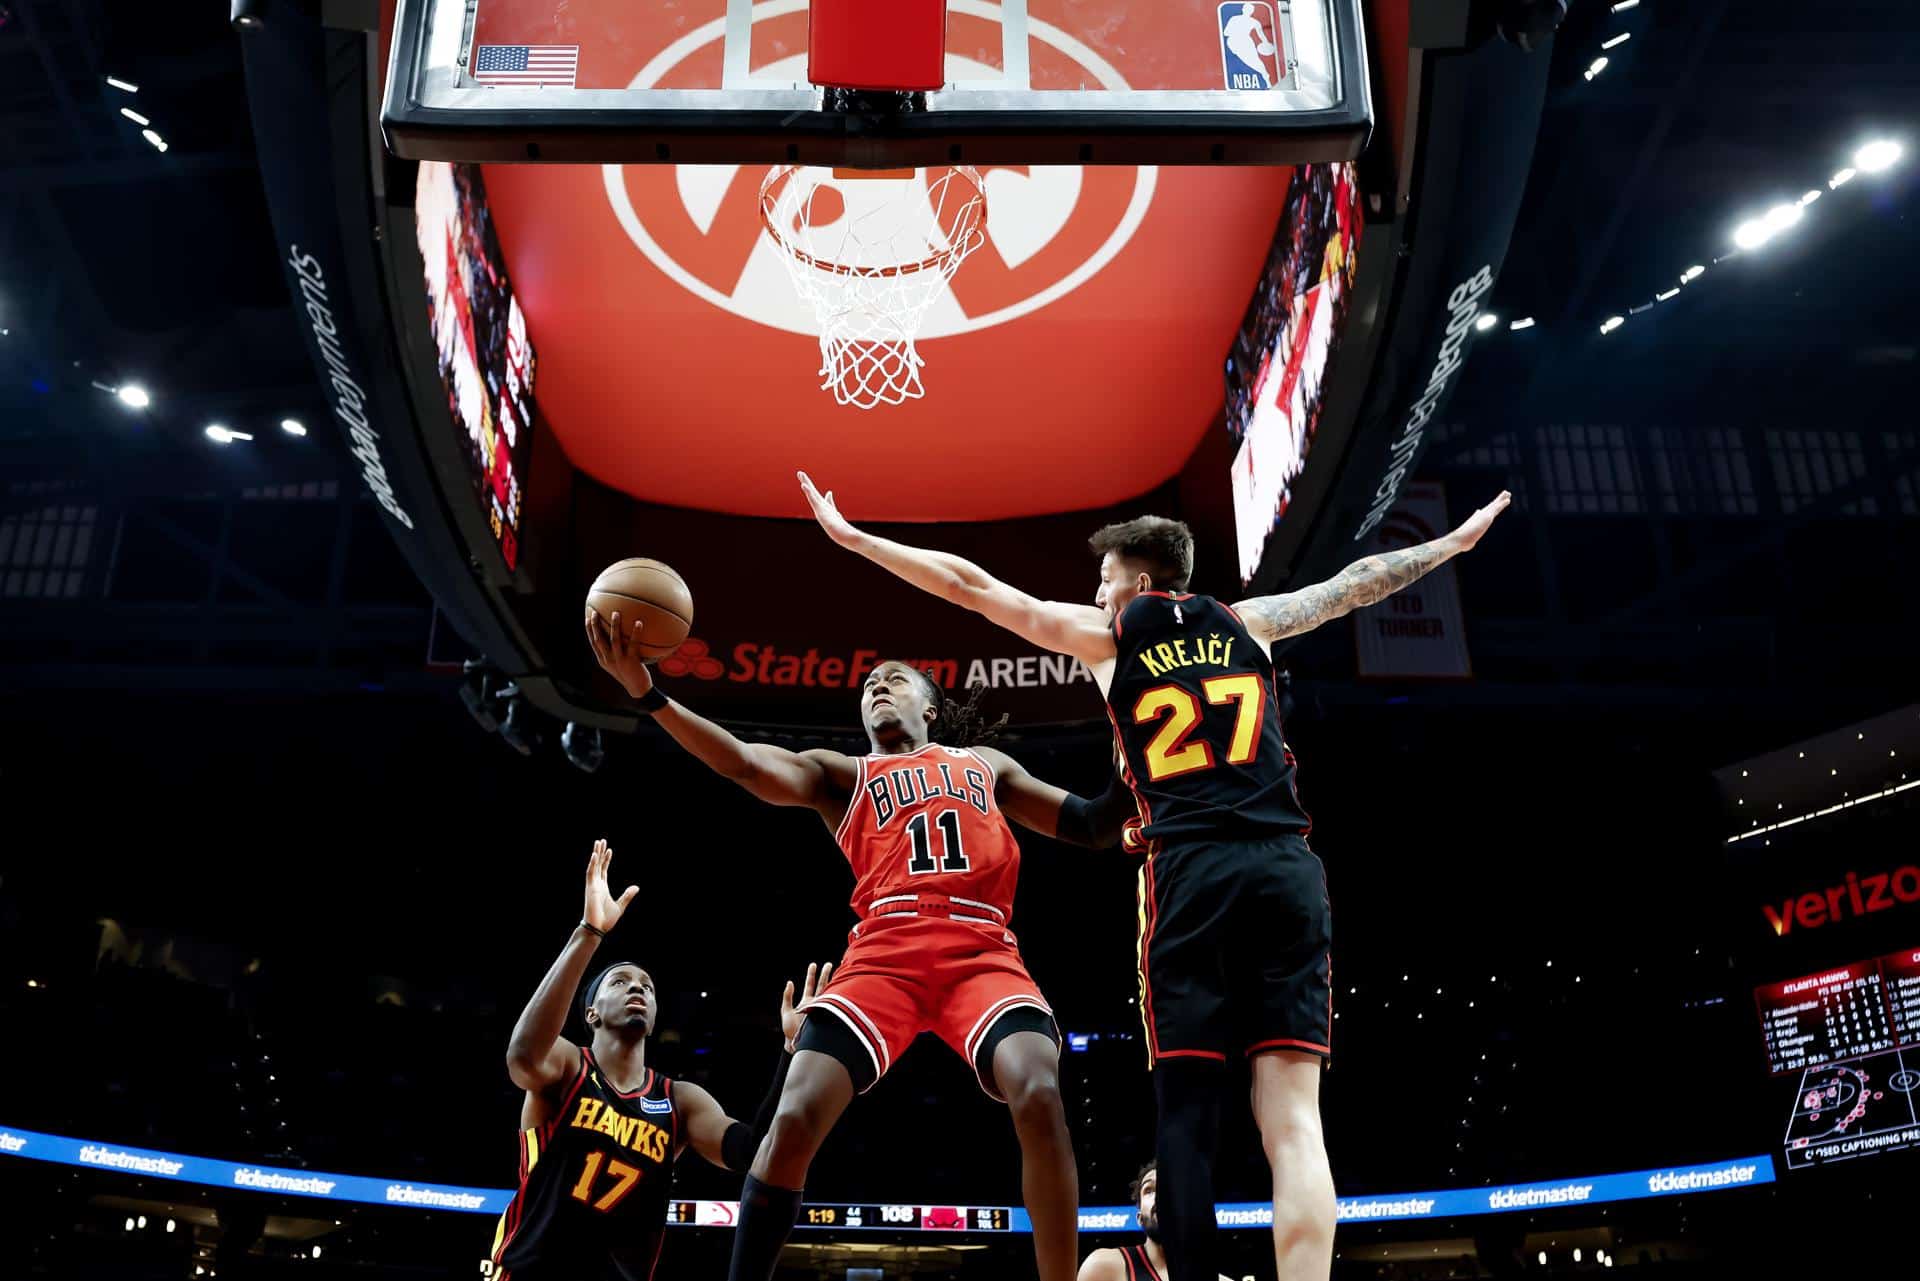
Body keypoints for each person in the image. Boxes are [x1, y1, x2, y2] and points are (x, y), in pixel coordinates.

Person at [798, 469, 1510, 1281]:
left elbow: (972, 587)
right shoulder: (1253, 622)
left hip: (1192, 872)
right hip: (1287, 868)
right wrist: (1449, 544)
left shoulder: (1111, 638)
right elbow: (1355, 585)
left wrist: (855, 540)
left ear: (1138, 581)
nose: (1096, 596)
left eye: (1104, 582)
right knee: (1295, 1124)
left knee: (1187, 1119)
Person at [587, 614, 1137, 1281]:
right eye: (869, 683)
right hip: (885, 949)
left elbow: (1092, 824)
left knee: (1039, 1088)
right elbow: (740, 761)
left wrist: (1129, 743)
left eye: (894, 679)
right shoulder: (840, 776)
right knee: (790, 1118)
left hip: (982, 947)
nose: (877, 685)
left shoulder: (984, 765)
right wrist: (649, 694)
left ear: (930, 706)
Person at [491, 839, 825, 1281]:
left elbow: (755, 1151)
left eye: (646, 986)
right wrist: (589, 933)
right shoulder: (569, 1066)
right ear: (591, 1012)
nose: (638, 989)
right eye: (621, 982)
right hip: (529, 1271)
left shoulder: (679, 1101)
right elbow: (522, 1058)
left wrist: (791, 1054)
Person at [1079, 1162, 1232, 1281]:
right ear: (1139, 1218)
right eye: (1149, 1190)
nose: (1161, 1195)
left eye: (1170, 1186)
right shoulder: (1104, 1266)